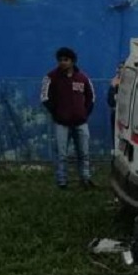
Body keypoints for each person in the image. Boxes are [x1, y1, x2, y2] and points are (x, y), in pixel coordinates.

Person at [41, 46, 96, 189]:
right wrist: (57, 114)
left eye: (66, 60)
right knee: (62, 155)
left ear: (72, 61)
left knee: (84, 153)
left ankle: (85, 179)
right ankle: (62, 182)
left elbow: (91, 97)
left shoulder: (83, 78)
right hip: (61, 124)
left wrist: (84, 114)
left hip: (81, 123)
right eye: (60, 60)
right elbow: (44, 98)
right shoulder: (51, 77)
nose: (62, 63)